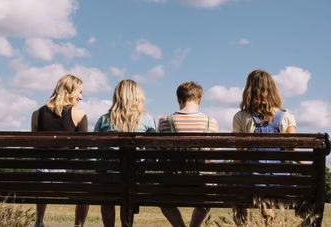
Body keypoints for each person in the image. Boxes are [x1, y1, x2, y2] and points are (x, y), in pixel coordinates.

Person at [232, 69, 297, 226]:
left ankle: (243, 221)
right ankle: (266, 209)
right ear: (273, 90)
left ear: (248, 90)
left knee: (239, 186)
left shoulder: (240, 117)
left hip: (250, 181)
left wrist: (231, 173)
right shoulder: (287, 116)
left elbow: (239, 154)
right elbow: (293, 152)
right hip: (279, 181)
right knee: (265, 183)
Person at [94, 79, 156, 227]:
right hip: (135, 180)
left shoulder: (104, 120)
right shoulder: (147, 120)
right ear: (138, 97)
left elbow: (95, 152)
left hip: (107, 180)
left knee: (108, 186)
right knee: (127, 188)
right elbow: (153, 155)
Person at [158, 81, 219, 227]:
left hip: (173, 185)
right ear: (200, 100)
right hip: (202, 188)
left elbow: (161, 156)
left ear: (178, 99)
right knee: (208, 197)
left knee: (164, 202)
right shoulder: (211, 123)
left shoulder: (164, 122)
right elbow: (213, 159)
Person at [32, 74, 89, 227]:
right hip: (67, 177)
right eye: (80, 92)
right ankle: (78, 225)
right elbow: (85, 151)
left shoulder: (37, 114)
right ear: (70, 91)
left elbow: (35, 149)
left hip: (41, 178)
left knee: (42, 168)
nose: (81, 97)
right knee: (87, 189)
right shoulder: (79, 114)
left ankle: (39, 221)